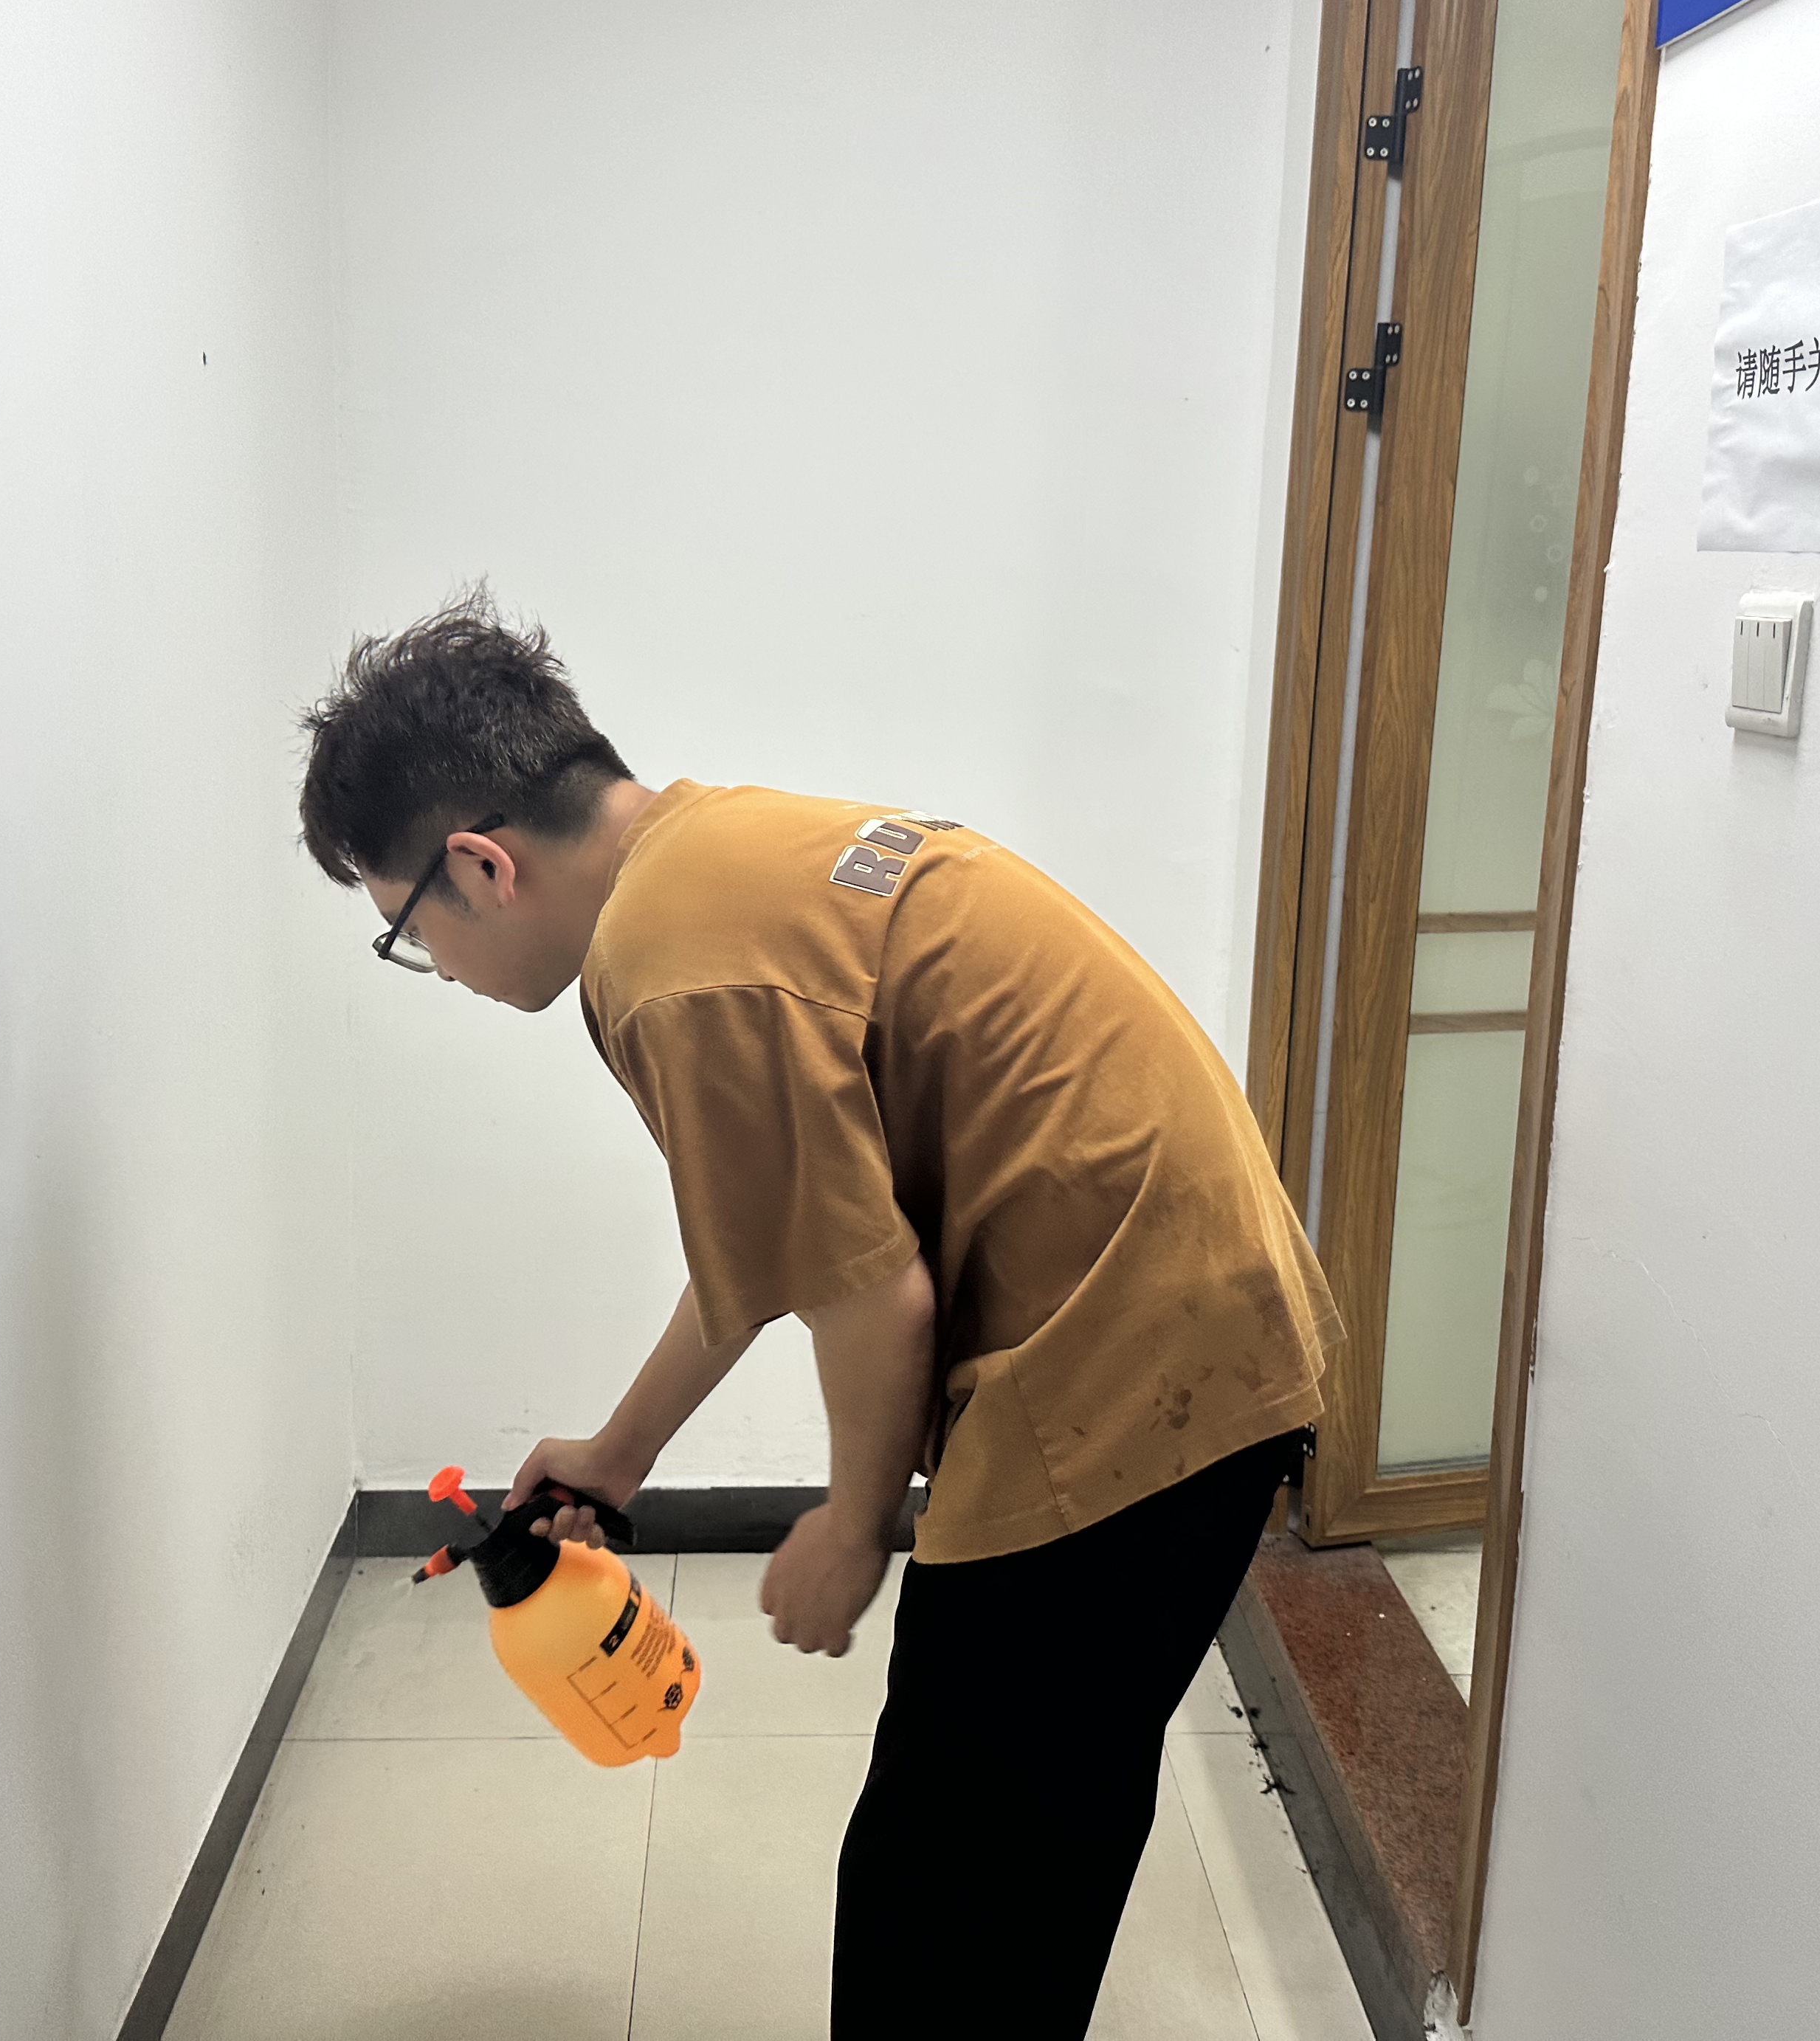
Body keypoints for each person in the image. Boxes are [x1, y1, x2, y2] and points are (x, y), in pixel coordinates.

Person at [295, 590, 1341, 2037]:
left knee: (949, 1885)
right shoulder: (712, 857)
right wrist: (620, 1452)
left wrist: (851, 1529)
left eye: (410, 934)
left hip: (1126, 1368)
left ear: (481, 865)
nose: (442, 974)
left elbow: (869, 1294)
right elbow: (782, 1238)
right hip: (1192, 1320)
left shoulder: (675, 968)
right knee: (1027, 1827)